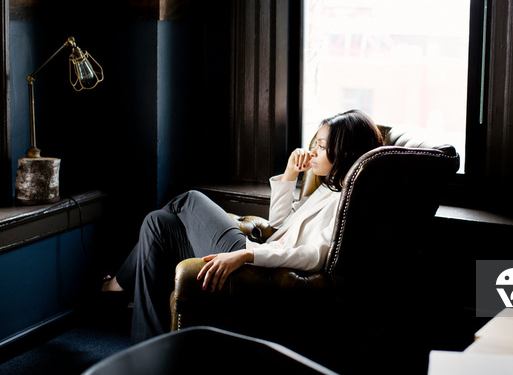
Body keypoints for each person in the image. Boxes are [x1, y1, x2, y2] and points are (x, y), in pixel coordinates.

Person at [102, 109, 383, 343]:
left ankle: (119, 284)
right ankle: (149, 350)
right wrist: (289, 174)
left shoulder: (347, 204)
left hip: (259, 268)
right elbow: (280, 224)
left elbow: (315, 256)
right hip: (261, 258)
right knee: (158, 223)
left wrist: (247, 254)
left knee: (190, 199)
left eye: (321, 146)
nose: (313, 151)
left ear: (344, 152)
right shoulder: (327, 190)